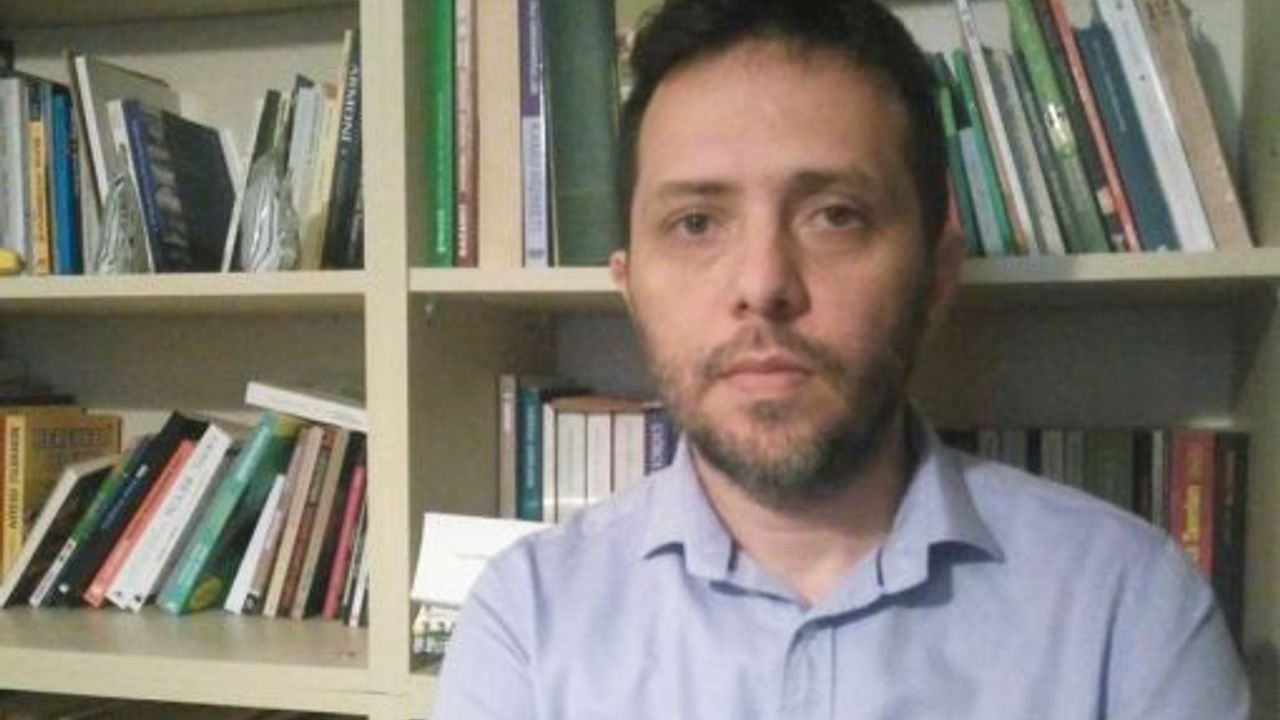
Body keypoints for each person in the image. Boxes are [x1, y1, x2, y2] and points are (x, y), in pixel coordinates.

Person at [433, 0, 1251, 717]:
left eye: (834, 215)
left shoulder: (1128, 609)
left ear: (936, 275)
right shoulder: (527, 620)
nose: (763, 285)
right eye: (696, 223)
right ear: (631, 288)